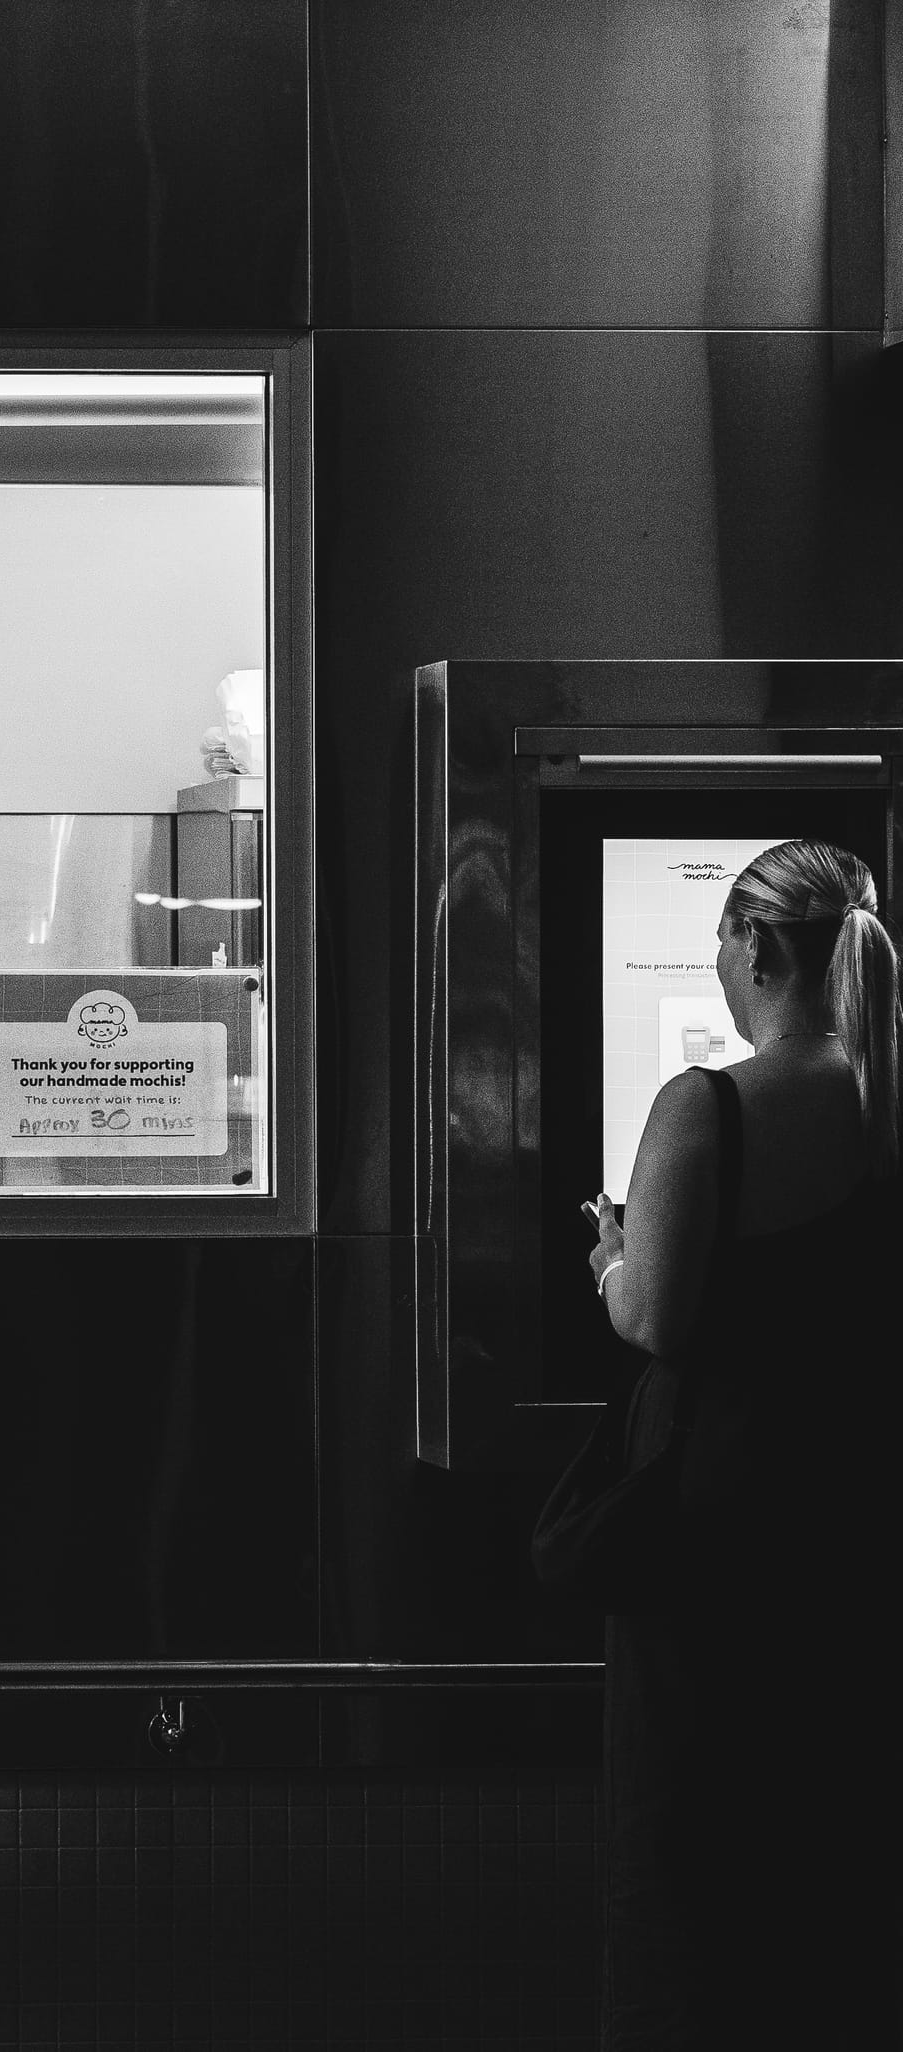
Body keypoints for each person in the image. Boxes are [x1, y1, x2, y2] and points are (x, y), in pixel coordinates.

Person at [585, 840, 898, 2047]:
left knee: (691, 1860)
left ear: (757, 946)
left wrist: (611, 1258)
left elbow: (656, 1317)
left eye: (721, 941)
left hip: (720, 1541)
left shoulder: (704, 1103)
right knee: (836, 1856)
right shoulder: (887, 1093)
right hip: (864, 1523)